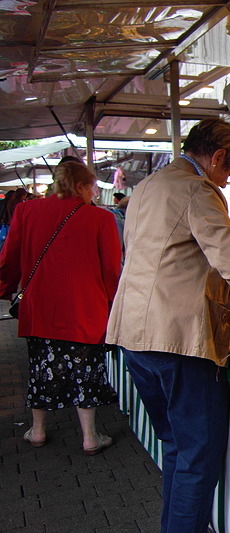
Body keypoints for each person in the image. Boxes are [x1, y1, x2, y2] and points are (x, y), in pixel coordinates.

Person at [106, 117, 230, 533]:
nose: (228, 179)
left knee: (177, 448)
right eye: (229, 170)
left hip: (134, 334)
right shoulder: (198, 189)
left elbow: (175, 257)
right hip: (177, 338)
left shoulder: (148, 186)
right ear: (217, 158)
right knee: (198, 458)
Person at [0, 161, 122, 455]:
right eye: (92, 186)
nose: (95, 191)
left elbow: (9, 257)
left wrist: (5, 289)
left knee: (42, 367)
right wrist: (114, 305)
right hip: (85, 309)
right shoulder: (100, 218)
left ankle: (38, 430)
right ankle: (90, 436)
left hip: (41, 307)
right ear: (79, 186)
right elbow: (111, 271)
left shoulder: (26, 211)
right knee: (86, 370)